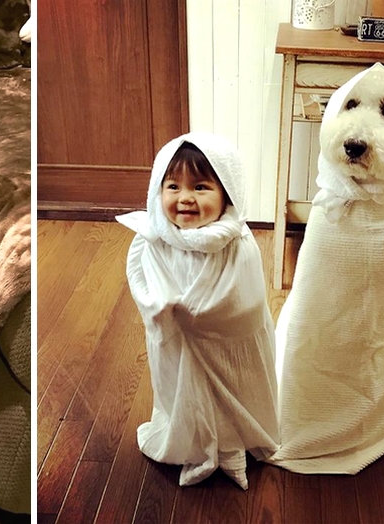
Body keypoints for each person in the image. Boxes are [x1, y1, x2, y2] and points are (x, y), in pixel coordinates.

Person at [116, 132, 280, 489]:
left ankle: (233, 444)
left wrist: (196, 315)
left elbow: (247, 303)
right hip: (175, 346)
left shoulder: (237, 242)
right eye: (172, 186)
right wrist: (160, 309)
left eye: (201, 187)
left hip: (228, 349)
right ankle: (191, 443)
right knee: (180, 392)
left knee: (232, 392)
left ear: (227, 194)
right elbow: (140, 280)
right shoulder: (152, 239)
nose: (185, 198)